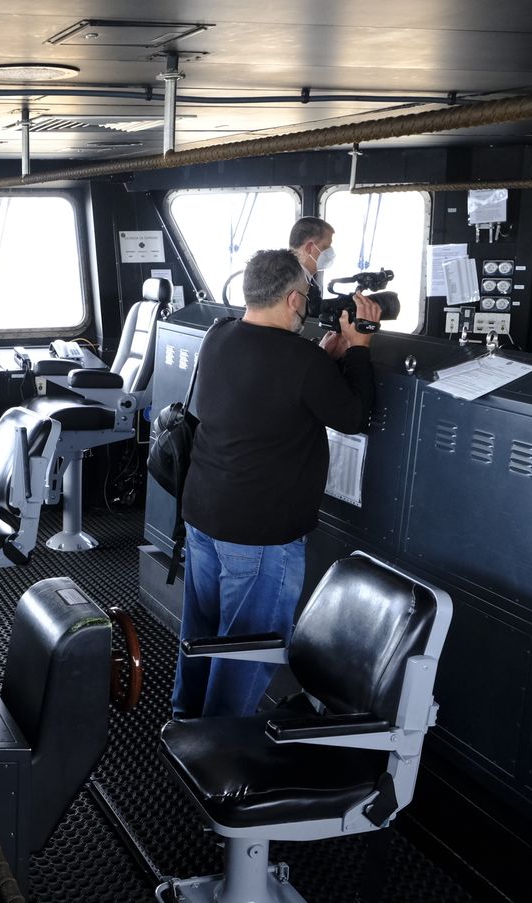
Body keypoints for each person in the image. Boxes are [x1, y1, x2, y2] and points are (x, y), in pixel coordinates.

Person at [170, 248, 379, 719]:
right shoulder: (302, 360)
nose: (307, 303)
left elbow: (271, 381)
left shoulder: (218, 335)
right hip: (260, 533)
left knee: (203, 632)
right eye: (305, 295)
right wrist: (359, 349)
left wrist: (323, 357)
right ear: (291, 299)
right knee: (247, 649)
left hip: (204, 513)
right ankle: (221, 753)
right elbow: (352, 415)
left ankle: (186, 723)